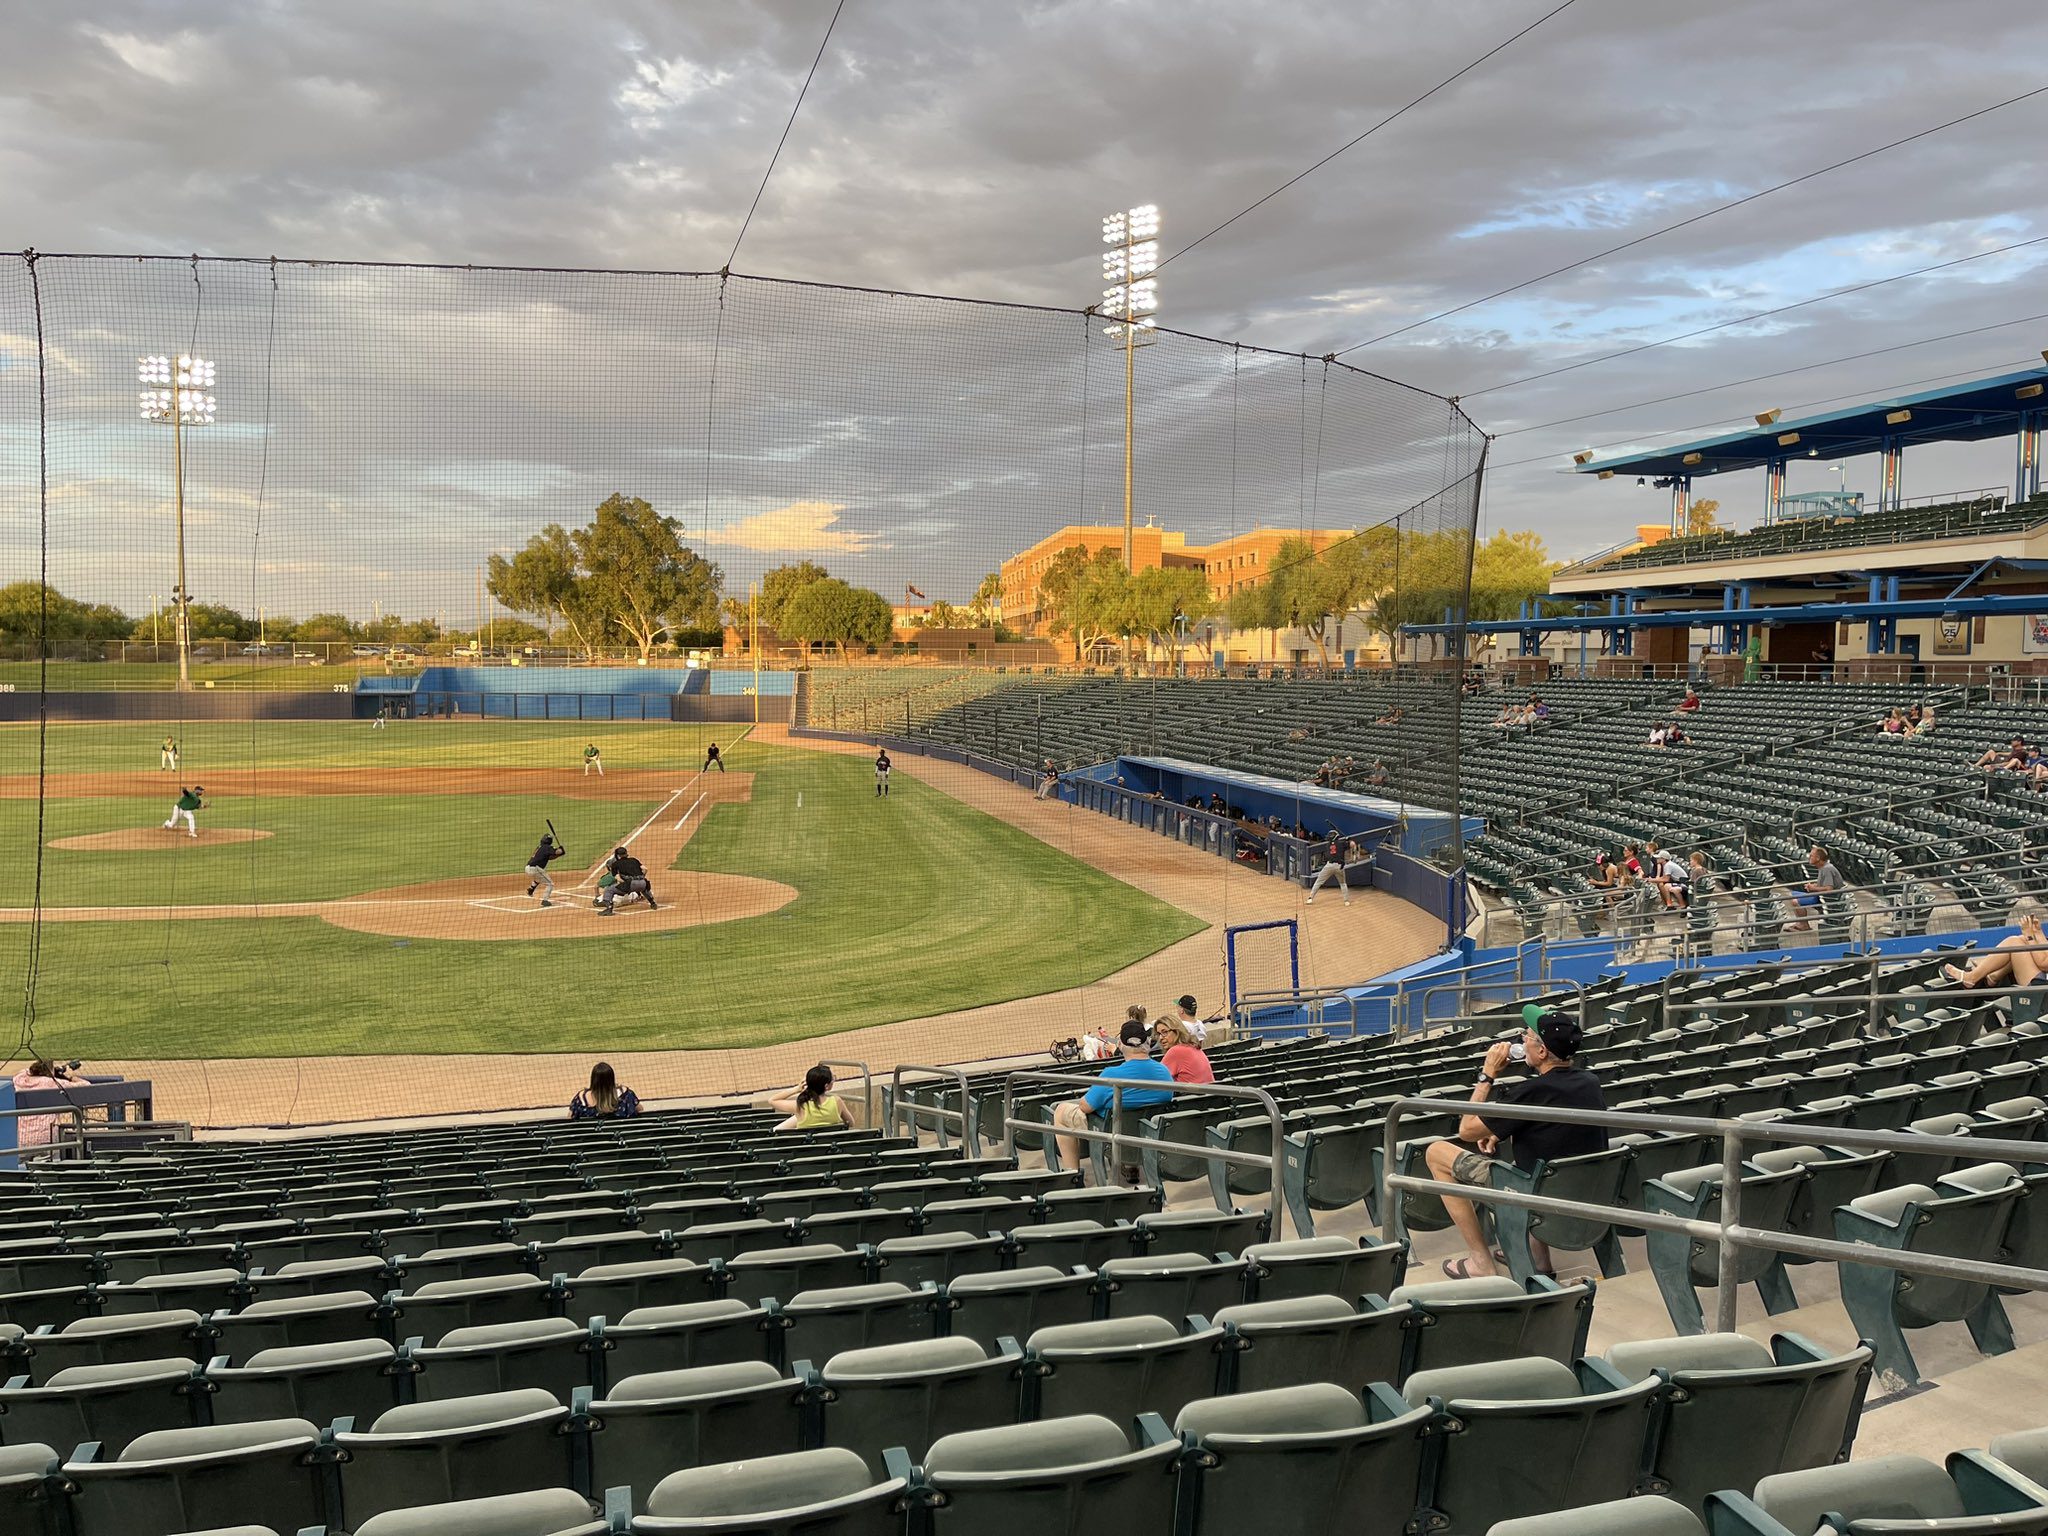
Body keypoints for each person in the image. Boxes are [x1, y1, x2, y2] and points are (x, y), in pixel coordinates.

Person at [1425, 1007, 1607, 1279]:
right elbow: (1554, 1126)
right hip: (1586, 1193)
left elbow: (1466, 1130)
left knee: (1436, 1152)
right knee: (1545, 1160)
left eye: (1528, 1035)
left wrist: (1487, 1074)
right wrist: (1499, 1130)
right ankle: (1538, 1259)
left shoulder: (1531, 1091)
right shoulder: (1590, 1082)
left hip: (1533, 1196)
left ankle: (1480, 1263)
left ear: (1542, 1052)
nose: (1522, 1038)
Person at [1051, 1018, 1176, 1183]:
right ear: (1147, 1042)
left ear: (1120, 1044)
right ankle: (1131, 1167)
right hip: (1148, 1137)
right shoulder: (1164, 1072)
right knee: (1134, 1115)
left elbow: (1085, 1107)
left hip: (1113, 1135)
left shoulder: (1112, 1074)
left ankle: (1072, 1176)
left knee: (1061, 1110)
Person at [1944, 911, 2047, 988]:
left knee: (2014, 943)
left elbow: (2043, 964)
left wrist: (2030, 936)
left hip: (2042, 989)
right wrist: (2037, 932)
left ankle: (1972, 977)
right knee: (2021, 940)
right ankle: (1992, 975)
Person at [11, 1059, 84, 1156]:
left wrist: (54, 1071)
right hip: (47, 1141)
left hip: (22, 1141)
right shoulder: (52, 1083)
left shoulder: (18, 1081)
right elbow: (85, 1086)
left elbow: (23, 1072)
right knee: (52, 1167)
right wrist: (69, 1077)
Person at [771, 1064, 855, 1130]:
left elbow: (772, 1100)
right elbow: (851, 1123)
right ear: (826, 1086)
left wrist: (796, 1089)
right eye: (832, 1079)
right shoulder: (837, 1101)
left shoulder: (800, 1106)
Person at [1785, 845, 1843, 930]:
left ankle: (1804, 925)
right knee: (1793, 894)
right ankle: (1800, 922)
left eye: (1811, 856)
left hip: (1827, 898)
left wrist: (1813, 888)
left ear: (1818, 858)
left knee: (1795, 901)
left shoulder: (1827, 869)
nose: (1809, 857)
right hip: (1821, 896)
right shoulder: (1823, 868)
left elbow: (1829, 889)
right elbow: (1823, 884)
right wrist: (1813, 886)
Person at [1154, 1008, 1214, 1083]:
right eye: (1159, 1034)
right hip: (1206, 1093)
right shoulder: (1192, 1046)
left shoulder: (1176, 1051)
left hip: (1193, 1093)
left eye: (1165, 1032)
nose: (1160, 1038)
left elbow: (1155, 1080)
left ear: (1177, 1031)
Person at [570, 1061, 641, 1120]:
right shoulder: (626, 1095)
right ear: (611, 1079)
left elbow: (571, 1116)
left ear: (593, 1080)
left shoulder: (581, 1098)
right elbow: (639, 1109)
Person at [1306, 832, 1353, 907]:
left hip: (1329, 866)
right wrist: (1349, 840)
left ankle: (1310, 898)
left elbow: (1334, 846)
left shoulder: (1327, 845)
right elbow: (1352, 845)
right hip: (1339, 866)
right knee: (1343, 884)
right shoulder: (1342, 843)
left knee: (1318, 882)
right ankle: (1346, 901)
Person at [525, 831, 565, 907]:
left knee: (539, 878)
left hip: (527, 868)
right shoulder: (547, 847)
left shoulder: (540, 847)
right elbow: (557, 852)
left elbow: (550, 857)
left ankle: (531, 889)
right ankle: (545, 900)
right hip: (535, 869)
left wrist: (560, 854)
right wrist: (561, 851)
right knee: (550, 884)